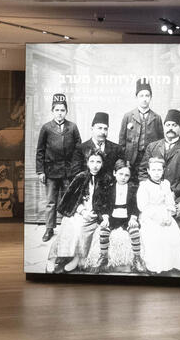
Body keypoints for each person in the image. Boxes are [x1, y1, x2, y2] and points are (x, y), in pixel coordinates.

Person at [140, 108, 180, 243]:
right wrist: (150, 190)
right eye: (168, 125)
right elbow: (143, 171)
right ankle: (156, 245)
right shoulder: (152, 147)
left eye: (175, 125)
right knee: (149, 210)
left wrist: (173, 192)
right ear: (164, 127)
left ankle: (178, 246)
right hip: (155, 193)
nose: (171, 128)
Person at [46, 152, 106, 273]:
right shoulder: (81, 177)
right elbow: (70, 198)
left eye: (98, 162)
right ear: (87, 162)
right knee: (69, 225)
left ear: (102, 164)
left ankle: (77, 258)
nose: (95, 165)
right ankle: (53, 258)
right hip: (78, 211)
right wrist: (82, 211)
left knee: (84, 230)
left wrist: (97, 214)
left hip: (93, 215)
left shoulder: (105, 179)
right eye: (92, 161)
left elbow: (106, 202)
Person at [35, 93, 81, 242]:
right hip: (51, 171)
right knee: (51, 201)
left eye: (62, 110)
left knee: (69, 199)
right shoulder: (46, 128)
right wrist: (40, 171)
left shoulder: (72, 127)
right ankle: (49, 228)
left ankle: (69, 228)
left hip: (68, 171)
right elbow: (40, 150)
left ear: (66, 111)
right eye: (57, 110)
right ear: (52, 111)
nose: (60, 113)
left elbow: (78, 149)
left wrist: (76, 169)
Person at [137, 156, 180, 275]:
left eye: (159, 170)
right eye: (153, 170)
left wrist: (169, 216)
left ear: (163, 170)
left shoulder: (166, 183)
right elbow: (143, 206)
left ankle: (174, 264)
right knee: (156, 237)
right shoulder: (144, 185)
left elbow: (170, 202)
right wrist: (158, 218)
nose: (156, 173)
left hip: (165, 214)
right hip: (150, 216)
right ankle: (155, 266)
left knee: (175, 235)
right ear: (148, 171)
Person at [92, 159, 143, 272]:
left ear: (130, 176)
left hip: (127, 217)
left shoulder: (133, 188)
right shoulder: (109, 187)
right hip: (112, 216)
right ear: (114, 173)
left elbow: (136, 205)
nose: (123, 177)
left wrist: (133, 218)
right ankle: (103, 257)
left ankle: (137, 258)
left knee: (134, 231)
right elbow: (103, 205)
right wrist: (105, 217)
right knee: (104, 230)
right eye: (120, 174)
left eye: (126, 175)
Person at [118, 79, 163, 177]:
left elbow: (161, 142)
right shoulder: (128, 116)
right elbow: (122, 142)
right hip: (131, 159)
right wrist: (124, 160)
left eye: (147, 95)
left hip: (150, 158)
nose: (144, 99)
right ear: (136, 97)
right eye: (141, 96)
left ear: (151, 97)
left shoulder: (157, 118)